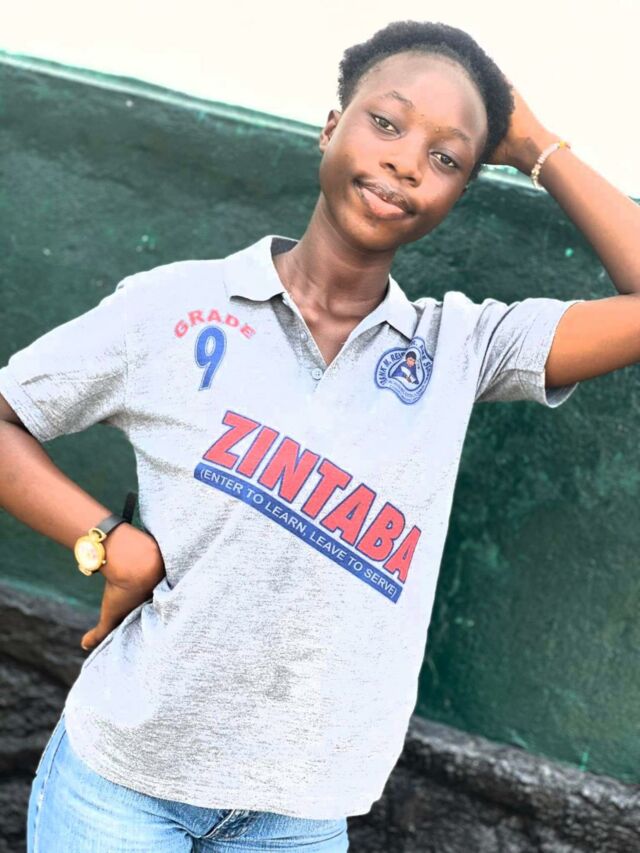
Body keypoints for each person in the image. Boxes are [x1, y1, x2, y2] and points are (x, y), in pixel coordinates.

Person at [1, 17, 639, 853]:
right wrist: (107, 543)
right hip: (123, 784)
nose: (407, 162)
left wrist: (537, 147)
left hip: (297, 817)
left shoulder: (460, 348)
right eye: (387, 122)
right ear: (331, 127)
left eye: (447, 158)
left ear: (458, 196)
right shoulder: (175, 307)